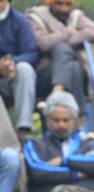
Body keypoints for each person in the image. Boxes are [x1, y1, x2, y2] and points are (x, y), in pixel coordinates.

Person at [26, 0, 94, 114]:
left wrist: (53, 38)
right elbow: (43, 44)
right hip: (45, 74)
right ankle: (78, 117)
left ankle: (57, 93)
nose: (63, 9)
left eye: (68, 4)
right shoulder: (35, 17)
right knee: (69, 59)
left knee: (70, 59)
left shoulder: (76, 16)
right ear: (50, 3)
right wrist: (69, 32)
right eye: (59, 4)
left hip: (76, 72)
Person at [0, 0, 37, 141]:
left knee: (25, 69)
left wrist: (11, 63)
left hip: (12, 76)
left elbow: (31, 53)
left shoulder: (20, 21)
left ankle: (23, 130)